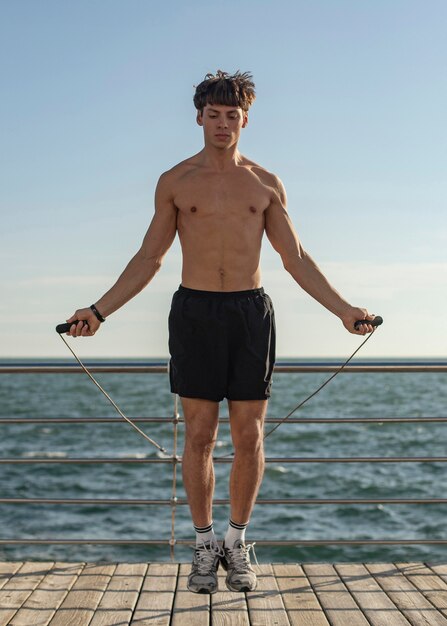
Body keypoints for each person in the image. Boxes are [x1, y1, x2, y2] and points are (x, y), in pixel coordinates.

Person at [65, 70, 376, 594]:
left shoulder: (265, 183)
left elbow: (295, 258)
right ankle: (205, 545)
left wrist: (344, 310)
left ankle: (237, 542)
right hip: (195, 313)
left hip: (251, 315)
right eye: (214, 115)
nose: (223, 124)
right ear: (199, 118)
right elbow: (149, 258)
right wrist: (98, 311)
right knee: (200, 437)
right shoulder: (176, 182)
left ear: (245, 119)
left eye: (233, 116)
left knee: (249, 436)